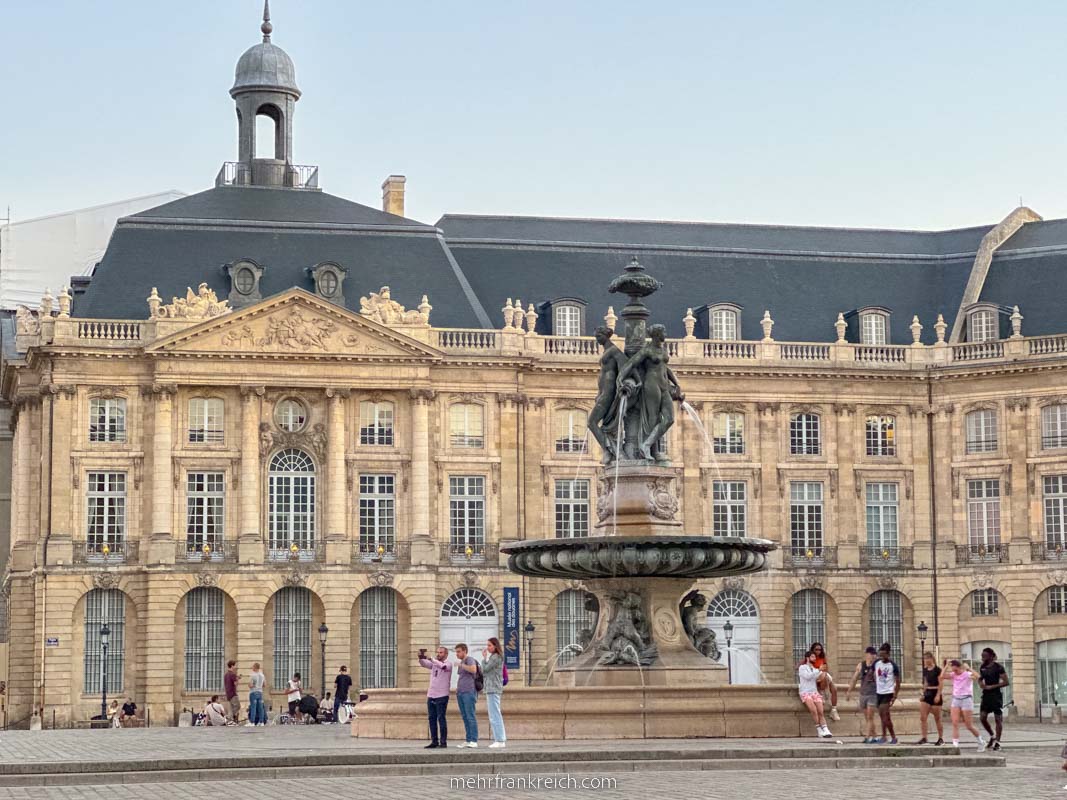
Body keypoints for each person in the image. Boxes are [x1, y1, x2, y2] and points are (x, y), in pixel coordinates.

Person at [938, 658, 986, 750]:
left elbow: (978, 677)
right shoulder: (953, 675)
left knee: (968, 725)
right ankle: (955, 745)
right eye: (953, 670)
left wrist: (969, 669)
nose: (954, 672)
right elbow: (941, 676)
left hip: (966, 699)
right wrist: (946, 666)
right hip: (956, 699)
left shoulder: (967, 675)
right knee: (955, 723)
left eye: (956, 670)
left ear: (960, 667)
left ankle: (980, 741)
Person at [418, 645, 452, 749]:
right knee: (431, 718)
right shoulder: (434, 664)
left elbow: (443, 666)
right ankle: (434, 741)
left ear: (446, 654)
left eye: (441, 653)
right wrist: (421, 657)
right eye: (438, 652)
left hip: (442, 695)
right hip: (431, 694)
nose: (439, 654)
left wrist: (432, 659)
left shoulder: (448, 664)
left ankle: (443, 742)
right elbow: (424, 664)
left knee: (441, 718)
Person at [845, 646, 879, 743]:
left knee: (869, 716)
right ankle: (875, 736)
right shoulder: (861, 665)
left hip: (873, 694)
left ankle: (867, 737)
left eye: (874, 654)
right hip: (863, 694)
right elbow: (854, 679)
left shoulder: (877, 666)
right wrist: (849, 691)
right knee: (867, 717)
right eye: (872, 654)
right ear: (867, 654)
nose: (874, 656)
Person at [978, 647, 1009, 752]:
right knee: (982, 717)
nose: (982, 658)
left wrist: (992, 686)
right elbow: (980, 678)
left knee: (998, 719)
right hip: (986, 695)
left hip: (995, 695)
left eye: (984, 656)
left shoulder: (998, 667)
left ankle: (998, 742)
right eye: (982, 656)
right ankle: (992, 735)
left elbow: (1006, 682)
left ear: (991, 656)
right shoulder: (983, 667)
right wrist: (981, 683)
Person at [798, 649, 833, 738]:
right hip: (805, 692)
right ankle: (819, 730)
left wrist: (825, 674)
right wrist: (818, 671)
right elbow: (807, 677)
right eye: (813, 656)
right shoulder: (802, 668)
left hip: (814, 692)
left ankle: (826, 729)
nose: (814, 658)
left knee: (821, 711)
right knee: (813, 710)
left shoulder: (815, 669)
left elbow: (821, 676)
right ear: (808, 658)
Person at [873, 643, 900, 744]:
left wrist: (895, 695)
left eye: (884, 655)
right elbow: (872, 674)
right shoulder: (876, 663)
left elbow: (898, 681)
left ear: (888, 654)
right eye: (880, 655)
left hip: (888, 692)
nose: (882, 657)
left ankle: (893, 736)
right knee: (883, 716)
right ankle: (885, 736)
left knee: (884, 714)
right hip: (879, 692)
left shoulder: (893, 666)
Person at [454, 643, 480, 748]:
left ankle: (474, 740)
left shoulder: (469, 659)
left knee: (470, 716)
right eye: (456, 652)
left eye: (459, 651)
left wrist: (461, 665)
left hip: (469, 692)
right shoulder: (463, 662)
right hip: (461, 692)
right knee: (465, 717)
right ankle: (468, 739)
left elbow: (474, 670)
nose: (457, 654)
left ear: (465, 651)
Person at [482, 637, 506, 748]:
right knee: (494, 714)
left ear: (495, 646)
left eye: (489, 645)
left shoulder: (495, 657)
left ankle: (500, 740)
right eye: (487, 645)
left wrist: (484, 658)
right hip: (491, 688)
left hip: (493, 688)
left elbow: (484, 670)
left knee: (495, 714)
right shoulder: (495, 657)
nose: (488, 648)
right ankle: (499, 739)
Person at [917, 651, 944, 745]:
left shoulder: (938, 670)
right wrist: (923, 693)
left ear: (930, 659)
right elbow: (925, 682)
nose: (925, 661)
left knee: (937, 718)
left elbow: (941, 683)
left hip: (935, 692)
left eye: (926, 659)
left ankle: (940, 738)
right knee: (923, 717)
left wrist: (938, 695)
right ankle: (924, 737)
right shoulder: (925, 670)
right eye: (924, 659)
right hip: (927, 693)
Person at [809, 642, 840, 722]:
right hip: (815, 677)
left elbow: (826, 668)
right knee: (824, 676)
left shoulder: (823, 658)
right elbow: (803, 665)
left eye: (820, 649)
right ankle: (821, 693)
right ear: (813, 650)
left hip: (824, 675)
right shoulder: (811, 657)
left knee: (834, 689)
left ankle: (834, 710)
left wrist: (824, 672)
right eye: (816, 649)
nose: (818, 651)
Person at [246, 661, 267, 727]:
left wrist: (250, 685)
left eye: (253, 666)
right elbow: (264, 685)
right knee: (260, 708)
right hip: (260, 692)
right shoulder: (262, 675)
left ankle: (252, 722)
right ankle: (261, 722)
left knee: (253, 707)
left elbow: (250, 685)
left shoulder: (252, 675)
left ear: (255, 667)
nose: (252, 668)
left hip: (253, 692)